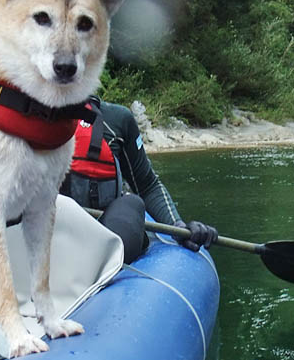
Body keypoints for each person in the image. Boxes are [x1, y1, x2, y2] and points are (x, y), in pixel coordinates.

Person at [60, 96, 218, 262]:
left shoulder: (117, 119)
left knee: (132, 203)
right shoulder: (32, 119)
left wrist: (178, 227)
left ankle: (105, 265)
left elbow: (147, 186)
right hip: (46, 236)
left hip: (100, 242)